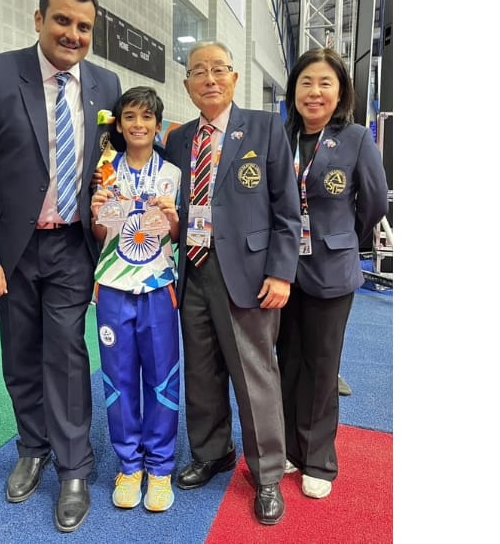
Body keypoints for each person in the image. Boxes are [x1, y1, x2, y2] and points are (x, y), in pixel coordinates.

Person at [0, 0, 121, 534]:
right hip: (13, 248)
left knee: (68, 355)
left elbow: (113, 167)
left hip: (74, 245)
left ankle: (74, 466)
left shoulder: (105, 83)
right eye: (63, 21)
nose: (73, 34)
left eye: (84, 27)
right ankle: (33, 445)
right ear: (38, 18)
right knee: (20, 353)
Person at [165, 41, 301, 526]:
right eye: (198, 72)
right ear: (187, 84)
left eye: (218, 69)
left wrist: (282, 271)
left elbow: (288, 210)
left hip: (248, 274)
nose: (209, 79)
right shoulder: (178, 141)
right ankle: (212, 451)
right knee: (200, 372)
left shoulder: (265, 129)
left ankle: (266, 473)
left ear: (235, 77)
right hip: (193, 271)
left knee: (254, 375)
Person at [275, 47, 388, 499]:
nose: (314, 92)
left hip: (332, 270)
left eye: (325, 83)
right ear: (294, 89)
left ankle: (318, 457)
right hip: (282, 269)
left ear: (340, 90)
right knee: (286, 362)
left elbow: (374, 202)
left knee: (322, 366)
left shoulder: (356, 137)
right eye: (306, 82)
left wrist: (341, 239)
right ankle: (285, 446)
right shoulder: (278, 135)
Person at [88, 87, 182, 513]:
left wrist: (175, 218)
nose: (138, 124)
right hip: (112, 286)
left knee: (162, 378)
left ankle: (160, 467)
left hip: (159, 286)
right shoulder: (106, 171)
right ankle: (130, 465)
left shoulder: (173, 174)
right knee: (117, 377)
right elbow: (101, 236)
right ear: (120, 125)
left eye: (146, 117)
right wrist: (97, 211)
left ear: (157, 125)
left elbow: (180, 237)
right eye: (130, 117)